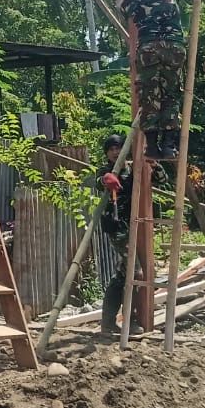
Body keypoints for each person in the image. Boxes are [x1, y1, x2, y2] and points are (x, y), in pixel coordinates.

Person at [113, 0, 185, 159]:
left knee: (149, 95)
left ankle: (152, 146)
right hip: (174, 46)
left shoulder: (127, 2)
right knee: (171, 93)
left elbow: (124, 6)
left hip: (148, 48)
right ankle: (169, 146)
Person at [94, 133, 135, 336]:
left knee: (124, 274)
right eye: (111, 149)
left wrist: (154, 166)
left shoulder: (134, 169)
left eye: (118, 148)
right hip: (117, 228)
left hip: (136, 226)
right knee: (134, 271)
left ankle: (110, 322)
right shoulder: (107, 170)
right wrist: (105, 179)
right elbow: (99, 180)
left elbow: (161, 179)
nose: (115, 152)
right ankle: (129, 321)